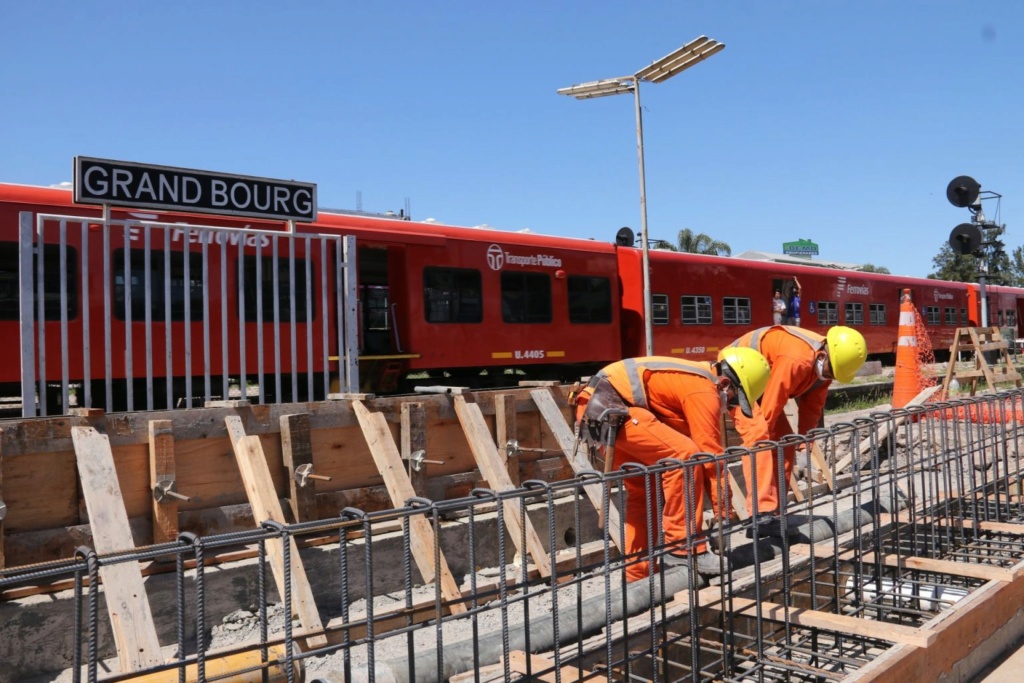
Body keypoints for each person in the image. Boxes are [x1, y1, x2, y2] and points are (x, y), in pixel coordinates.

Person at [573, 349, 770, 581]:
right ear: (725, 383)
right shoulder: (703, 388)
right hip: (611, 409)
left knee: (645, 490)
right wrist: (723, 517)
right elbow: (710, 458)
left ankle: (638, 576)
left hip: (604, 410)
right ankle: (683, 548)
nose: (729, 407)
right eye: (734, 399)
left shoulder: (694, 381)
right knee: (684, 458)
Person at [727, 325, 867, 535]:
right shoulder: (798, 359)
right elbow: (770, 407)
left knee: (786, 441)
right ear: (823, 355)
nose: (828, 376)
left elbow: (813, 409)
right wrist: (762, 433)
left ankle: (775, 511)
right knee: (759, 438)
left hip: (761, 379)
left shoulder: (825, 369)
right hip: (736, 376)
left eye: (833, 375)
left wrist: (804, 443)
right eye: (829, 371)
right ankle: (760, 515)